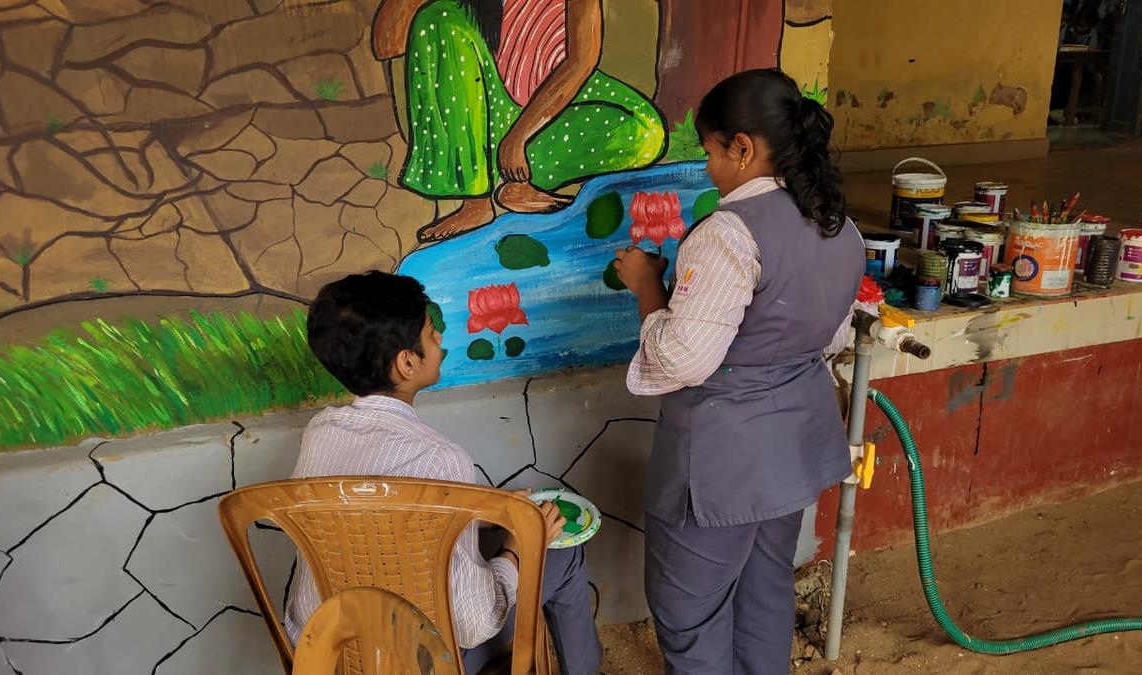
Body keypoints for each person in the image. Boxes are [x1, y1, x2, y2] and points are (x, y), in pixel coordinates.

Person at [612, 69, 864, 674]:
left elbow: (685, 360)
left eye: (709, 151)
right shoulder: (838, 226)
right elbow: (827, 337)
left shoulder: (727, 233)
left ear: (742, 147)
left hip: (720, 460)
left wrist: (648, 288)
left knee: (689, 611)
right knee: (764, 589)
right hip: (792, 451)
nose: (707, 168)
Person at [283, 271, 602, 674]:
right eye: (433, 334)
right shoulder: (440, 458)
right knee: (564, 552)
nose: (441, 344)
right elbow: (475, 622)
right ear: (407, 362)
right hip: (417, 663)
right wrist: (515, 547)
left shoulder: (319, 433)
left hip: (326, 654)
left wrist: (481, 511)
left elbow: (375, 517)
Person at [371, 0, 666, 242]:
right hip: (486, 105)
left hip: (556, 100)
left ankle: (516, 181)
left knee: (645, 130)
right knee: (436, 18)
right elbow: (387, 43)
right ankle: (476, 201)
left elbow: (581, 61)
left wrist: (519, 138)